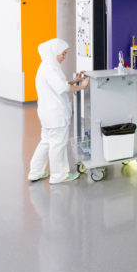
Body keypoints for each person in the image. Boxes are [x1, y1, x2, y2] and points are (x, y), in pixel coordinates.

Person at [27, 39, 90, 184]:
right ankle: (59, 175)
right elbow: (62, 88)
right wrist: (82, 86)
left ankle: (35, 172)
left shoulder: (46, 66)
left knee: (46, 142)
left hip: (46, 113)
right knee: (58, 144)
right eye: (63, 54)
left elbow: (58, 84)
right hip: (55, 114)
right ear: (54, 53)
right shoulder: (51, 69)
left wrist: (75, 81)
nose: (64, 57)